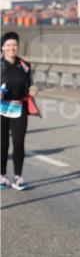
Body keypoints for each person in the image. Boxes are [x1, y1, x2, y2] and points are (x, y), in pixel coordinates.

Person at [1, 31, 37, 191]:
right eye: (8, 45)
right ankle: (1, 176)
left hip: (18, 108)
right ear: (2, 47)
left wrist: (33, 89)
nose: (11, 48)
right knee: (2, 144)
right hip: (1, 108)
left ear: (18, 46)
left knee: (18, 143)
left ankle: (18, 177)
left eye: (14, 45)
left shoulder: (25, 65)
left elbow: (30, 84)